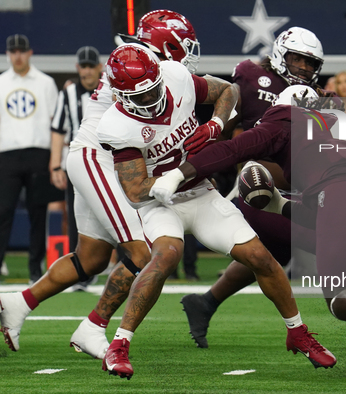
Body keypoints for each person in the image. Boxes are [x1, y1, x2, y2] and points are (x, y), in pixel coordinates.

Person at [151, 85, 346, 389]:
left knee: (339, 297)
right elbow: (328, 205)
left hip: (337, 194)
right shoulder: (341, 121)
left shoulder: (281, 121)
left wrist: (176, 175)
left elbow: (229, 151)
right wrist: (280, 204)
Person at [96, 45, 335, 379]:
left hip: (202, 192)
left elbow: (228, 91)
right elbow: (135, 189)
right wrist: (165, 181)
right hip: (159, 202)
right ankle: (118, 345)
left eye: (153, 90)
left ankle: (297, 332)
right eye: (142, 95)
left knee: (261, 257)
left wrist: (214, 125)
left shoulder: (176, 77)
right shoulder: (117, 126)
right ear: (120, 96)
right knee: (166, 256)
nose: (151, 100)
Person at [0, 10, 201, 359]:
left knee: (90, 259)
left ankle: (16, 304)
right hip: (99, 159)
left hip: (99, 159)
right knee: (143, 253)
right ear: (166, 42)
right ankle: (93, 326)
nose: (189, 51)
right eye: (183, 44)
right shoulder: (144, 65)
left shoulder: (142, 59)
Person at [0, 34, 59, 284]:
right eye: (13, 51)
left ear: (30, 53)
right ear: (8, 54)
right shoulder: (1, 82)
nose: (17, 55)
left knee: (38, 213)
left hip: (39, 153)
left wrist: (56, 159)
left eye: (21, 51)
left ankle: (35, 268)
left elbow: (56, 123)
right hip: (7, 155)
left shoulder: (45, 83)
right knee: (3, 211)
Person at [50, 45, 103, 290]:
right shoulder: (69, 94)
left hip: (106, 161)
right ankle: (79, 270)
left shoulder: (108, 90)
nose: (87, 71)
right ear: (77, 68)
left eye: (91, 65)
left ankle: (127, 266)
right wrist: (55, 166)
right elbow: (59, 130)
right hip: (78, 162)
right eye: (84, 66)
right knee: (77, 218)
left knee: (116, 216)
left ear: (100, 67)